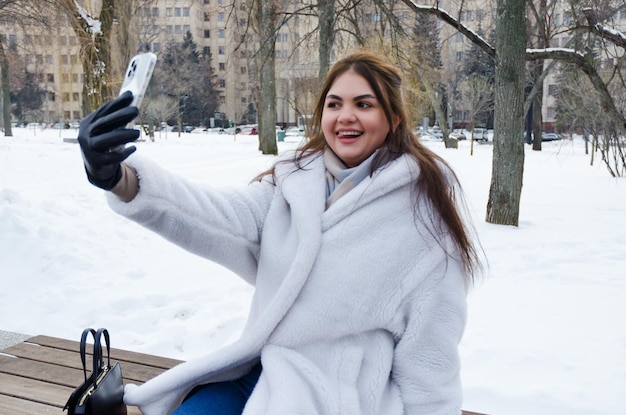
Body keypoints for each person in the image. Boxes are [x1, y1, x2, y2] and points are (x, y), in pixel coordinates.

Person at [77, 50, 481, 415]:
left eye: (364, 104)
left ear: (393, 119)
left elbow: (431, 361)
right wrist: (120, 178)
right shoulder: (293, 183)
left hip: (333, 398)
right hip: (255, 369)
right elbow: (215, 216)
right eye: (334, 103)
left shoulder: (424, 221)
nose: (345, 117)